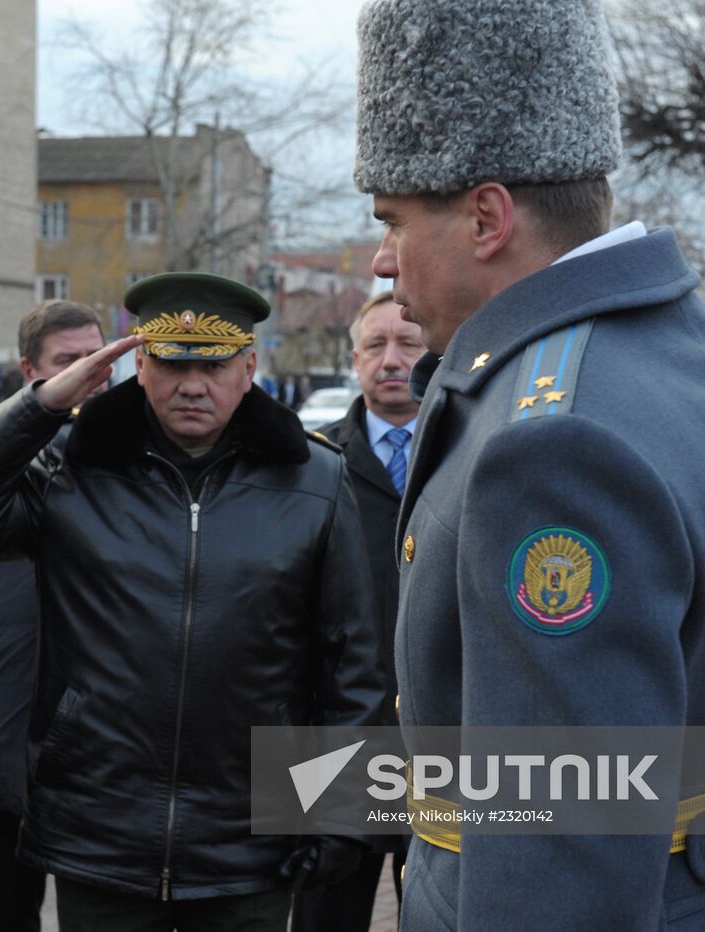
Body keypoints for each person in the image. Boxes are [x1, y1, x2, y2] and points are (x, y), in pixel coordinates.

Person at [354, 0, 705, 927]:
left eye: (394, 221)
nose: (382, 261)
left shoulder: (550, 441)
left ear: (487, 218)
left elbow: (561, 842)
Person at [0, 272, 383, 930]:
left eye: (213, 366)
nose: (192, 386)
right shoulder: (73, 467)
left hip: (252, 833)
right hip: (102, 829)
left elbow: (349, 660)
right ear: (139, 367)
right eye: (171, 365)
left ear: (249, 368)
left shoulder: (315, 478)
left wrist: (336, 813)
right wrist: (42, 405)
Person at [0, 299, 105, 932]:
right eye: (68, 360)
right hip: (6, 734)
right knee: (6, 914)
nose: (88, 372)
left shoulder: (134, 465)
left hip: (101, 755)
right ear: (30, 372)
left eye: (96, 357)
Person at [293, 289, 421, 932]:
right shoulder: (312, 465)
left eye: (408, 344)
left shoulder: (474, 451)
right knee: (325, 910)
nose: (391, 360)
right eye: (376, 345)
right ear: (355, 359)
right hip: (335, 736)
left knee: (435, 911)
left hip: (439, 738)